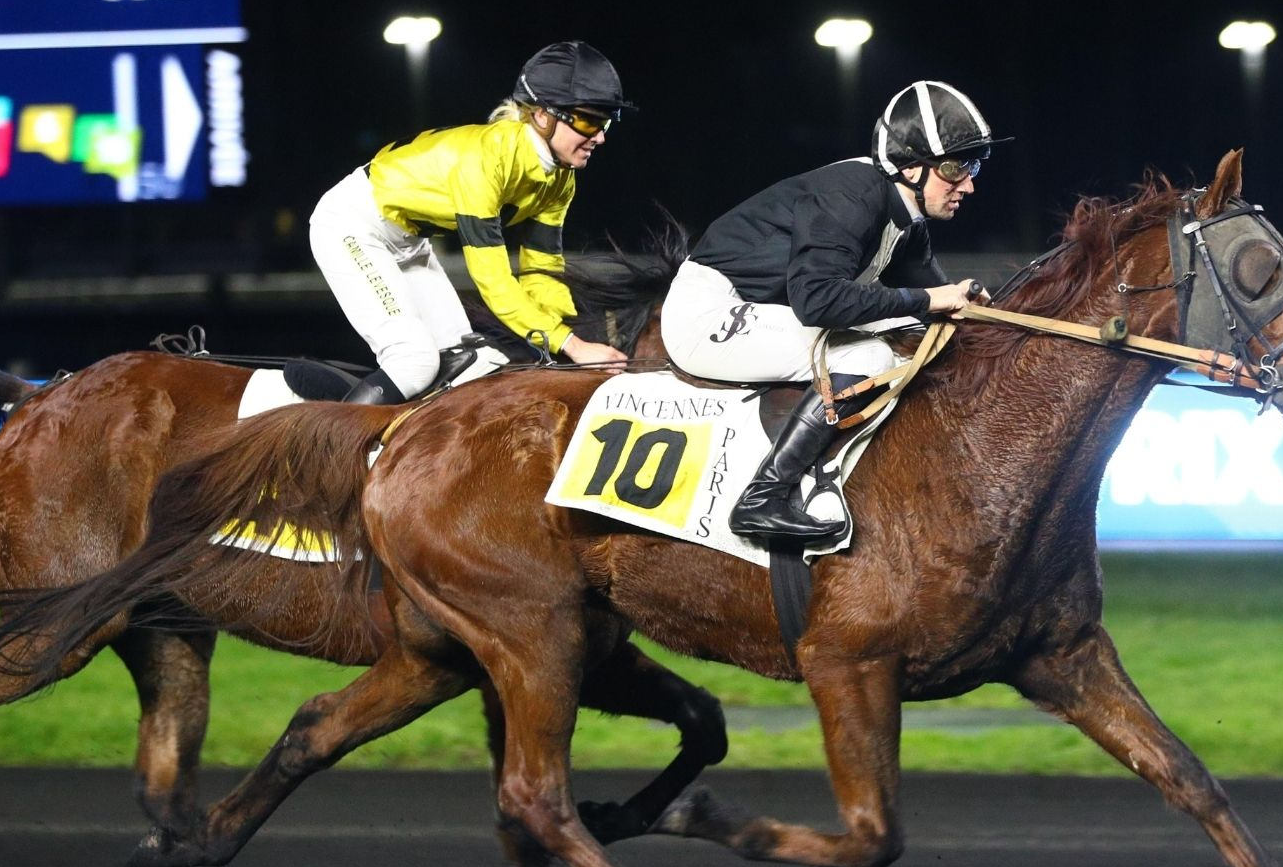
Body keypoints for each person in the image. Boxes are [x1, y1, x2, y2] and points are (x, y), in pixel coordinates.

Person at [660, 81, 1004, 541]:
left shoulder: (907, 220)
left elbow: (937, 309)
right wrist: (930, 300)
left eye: (972, 166)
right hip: (708, 312)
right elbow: (818, 300)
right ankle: (763, 498)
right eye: (954, 168)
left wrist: (974, 312)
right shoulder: (852, 194)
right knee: (867, 356)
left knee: (912, 333)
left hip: (760, 308)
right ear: (909, 166)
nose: (969, 184)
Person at [307, 41, 633, 405]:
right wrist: (571, 345)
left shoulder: (560, 179)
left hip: (409, 242)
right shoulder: (488, 160)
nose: (600, 136)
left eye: (606, 122)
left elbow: (541, 272)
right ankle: (331, 439)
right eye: (588, 120)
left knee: (472, 363)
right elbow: (494, 282)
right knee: (414, 361)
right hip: (352, 224)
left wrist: (567, 338)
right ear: (542, 116)